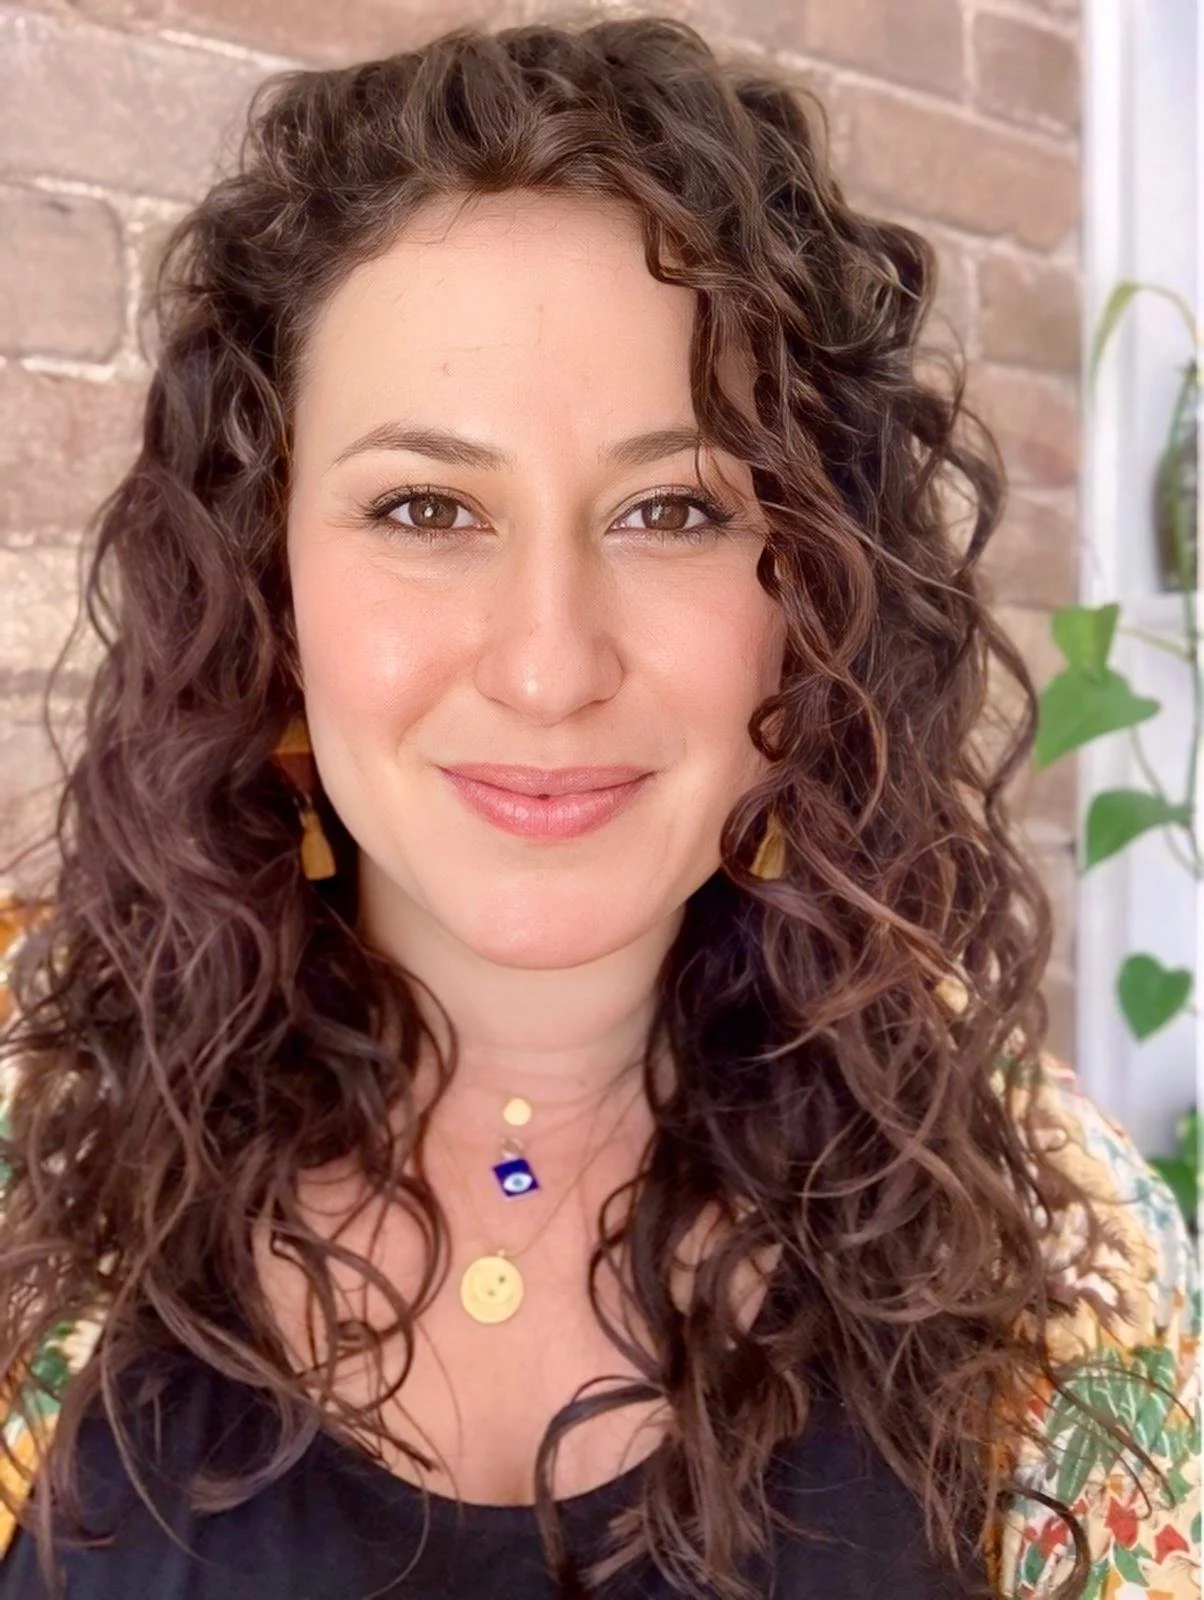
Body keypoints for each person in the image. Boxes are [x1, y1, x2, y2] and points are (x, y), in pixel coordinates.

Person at [0, 12, 1197, 1600]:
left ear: (816, 596)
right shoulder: (35, 1151)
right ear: (264, 579)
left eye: (675, 507)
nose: (550, 664)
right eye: (426, 507)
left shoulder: (1060, 1252)